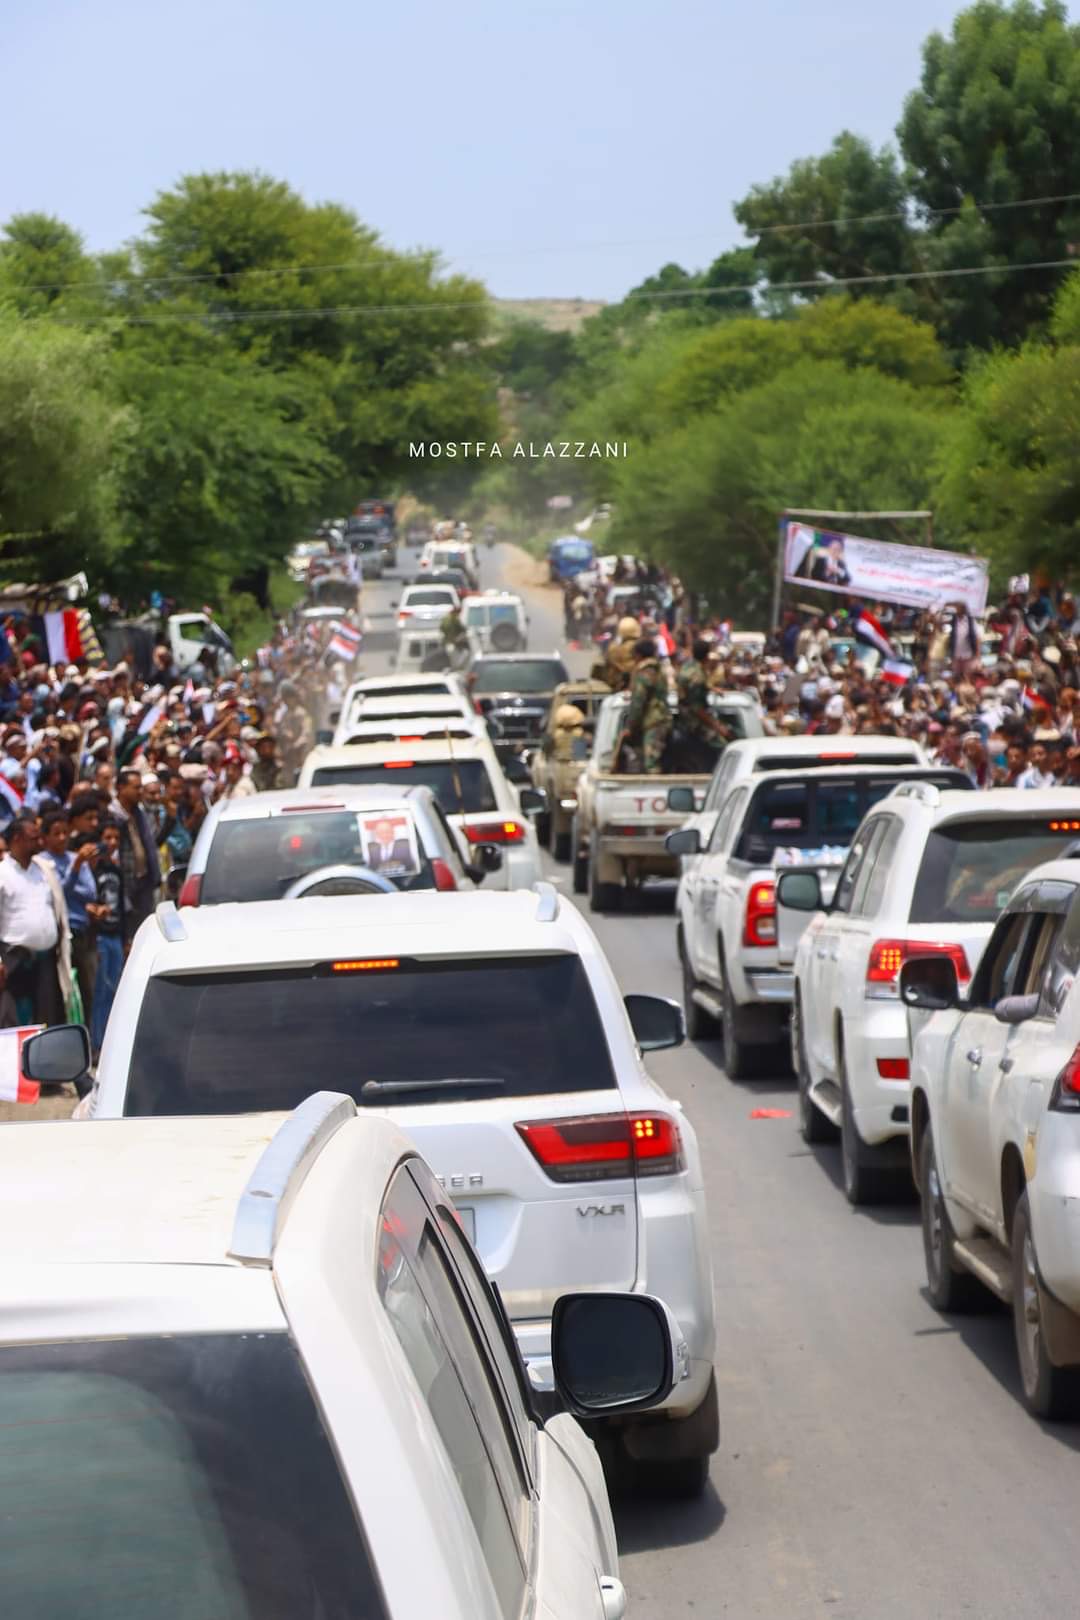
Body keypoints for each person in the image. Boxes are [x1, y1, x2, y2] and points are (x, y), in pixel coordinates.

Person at [0, 812, 65, 1025]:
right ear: (17, 839)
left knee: (46, 1019)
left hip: (45, 959)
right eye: (33, 838)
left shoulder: (43, 870)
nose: (39, 842)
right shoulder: (3, 873)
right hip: (15, 961)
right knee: (15, 1019)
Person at [39, 808, 102, 1026]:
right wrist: (73, 873)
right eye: (56, 833)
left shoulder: (76, 858)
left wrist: (72, 875)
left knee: (86, 988)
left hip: (79, 930)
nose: (62, 838)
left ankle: (86, 1037)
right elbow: (57, 892)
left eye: (65, 832)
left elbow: (90, 892)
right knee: (58, 991)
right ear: (45, 837)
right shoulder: (41, 863)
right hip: (58, 934)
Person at [110, 769, 162, 944]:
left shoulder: (138, 813)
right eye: (136, 787)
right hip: (124, 881)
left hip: (143, 879)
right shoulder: (113, 815)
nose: (140, 792)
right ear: (121, 788)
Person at [90, 817, 124, 1058]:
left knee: (115, 990)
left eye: (115, 839)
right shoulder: (92, 871)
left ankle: (112, 1039)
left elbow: (121, 904)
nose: (111, 843)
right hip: (99, 936)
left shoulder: (115, 870)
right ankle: (97, 1041)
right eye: (107, 838)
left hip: (115, 935)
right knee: (100, 991)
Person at [676, 639, 732, 769]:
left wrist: (711, 688)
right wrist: (717, 726)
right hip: (693, 721)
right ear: (707, 656)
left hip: (683, 717)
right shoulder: (698, 676)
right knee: (724, 747)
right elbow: (697, 708)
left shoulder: (688, 666)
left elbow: (692, 685)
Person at [624, 639, 672, 774]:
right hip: (661, 718)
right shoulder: (658, 670)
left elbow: (638, 702)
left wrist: (630, 726)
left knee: (651, 763)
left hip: (654, 721)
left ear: (638, 655)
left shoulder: (644, 673)